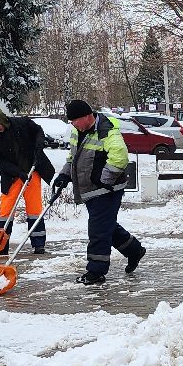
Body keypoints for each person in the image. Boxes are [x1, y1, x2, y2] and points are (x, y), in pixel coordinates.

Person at [57, 99, 144, 284]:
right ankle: (134, 250)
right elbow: (73, 157)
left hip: (107, 190)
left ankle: (96, 271)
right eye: (71, 121)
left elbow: (120, 158)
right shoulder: (76, 131)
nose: (73, 124)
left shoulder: (107, 131)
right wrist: (64, 174)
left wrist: (104, 180)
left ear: (88, 116)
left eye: (75, 120)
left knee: (98, 230)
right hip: (91, 189)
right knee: (105, 226)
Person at [0, 107, 59, 257]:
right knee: (6, 209)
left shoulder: (22, 123)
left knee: (34, 208)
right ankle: (2, 246)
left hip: (32, 170)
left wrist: (39, 144)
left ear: (2, 120)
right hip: (12, 175)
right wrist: (18, 172)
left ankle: (38, 244)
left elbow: (38, 131)